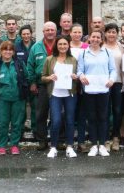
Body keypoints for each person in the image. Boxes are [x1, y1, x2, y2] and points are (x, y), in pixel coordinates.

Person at [77, 30, 117, 157]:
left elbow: (113, 70)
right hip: (89, 90)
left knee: (103, 117)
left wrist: (112, 80)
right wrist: (81, 76)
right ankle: (94, 144)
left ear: (101, 39)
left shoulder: (107, 52)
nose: (95, 39)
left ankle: (104, 144)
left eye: (98, 37)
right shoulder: (83, 53)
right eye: (93, 37)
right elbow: (79, 70)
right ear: (89, 38)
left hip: (104, 89)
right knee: (92, 117)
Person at [0, 41, 28, 155]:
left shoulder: (19, 63)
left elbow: (26, 76)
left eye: (10, 49)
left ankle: (14, 145)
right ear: (1, 51)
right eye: (5, 49)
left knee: (17, 122)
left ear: (13, 51)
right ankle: (1, 145)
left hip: (18, 98)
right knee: (2, 123)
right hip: (2, 99)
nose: (8, 52)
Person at [42, 36, 79, 158]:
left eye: (65, 44)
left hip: (70, 94)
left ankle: (69, 146)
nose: (62, 46)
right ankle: (53, 147)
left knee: (70, 120)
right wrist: (49, 78)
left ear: (68, 46)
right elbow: (43, 77)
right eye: (60, 44)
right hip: (55, 94)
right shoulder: (49, 59)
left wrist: (76, 77)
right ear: (56, 46)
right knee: (56, 120)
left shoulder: (73, 60)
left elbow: (78, 76)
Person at [27, 21, 57, 151]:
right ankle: (42, 140)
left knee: (58, 113)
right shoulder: (36, 47)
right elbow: (30, 66)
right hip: (42, 85)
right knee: (41, 114)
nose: (50, 32)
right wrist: (32, 82)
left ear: (56, 31)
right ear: (43, 32)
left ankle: (59, 140)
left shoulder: (61, 44)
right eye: (47, 30)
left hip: (59, 85)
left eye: (52, 30)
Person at [103, 23, 124, 151]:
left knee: (117, 111)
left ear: (117, 34)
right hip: (104, 84)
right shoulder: (101, 47)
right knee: (105, 112)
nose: (111, 34)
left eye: (114, 32)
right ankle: (105, 139)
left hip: (118, 83)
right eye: (109, 32)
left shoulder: (122, 48)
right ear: (105, 33)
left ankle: (116, 138)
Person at [69, 23, 89, 152]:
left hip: (83, 85)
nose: (77, 34)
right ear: (70, 33)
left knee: (82, 114)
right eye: (74, 32)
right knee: (69, 114)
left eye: (79, 32)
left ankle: (81, 142)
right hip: (68, 85)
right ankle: (69, 141)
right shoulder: (65, 46)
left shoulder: (87, 47)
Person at [14, 24, 36, 139]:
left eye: (28, 33)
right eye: (24, 34)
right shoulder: (16, 47)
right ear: (20, 35)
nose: (26, 36)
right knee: (21, 108)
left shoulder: (36, 46)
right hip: (20, 82)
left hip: (33, 81)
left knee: (34, 107)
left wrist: (34, 81)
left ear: (31, 34)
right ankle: (20, 131)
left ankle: (35, 131)